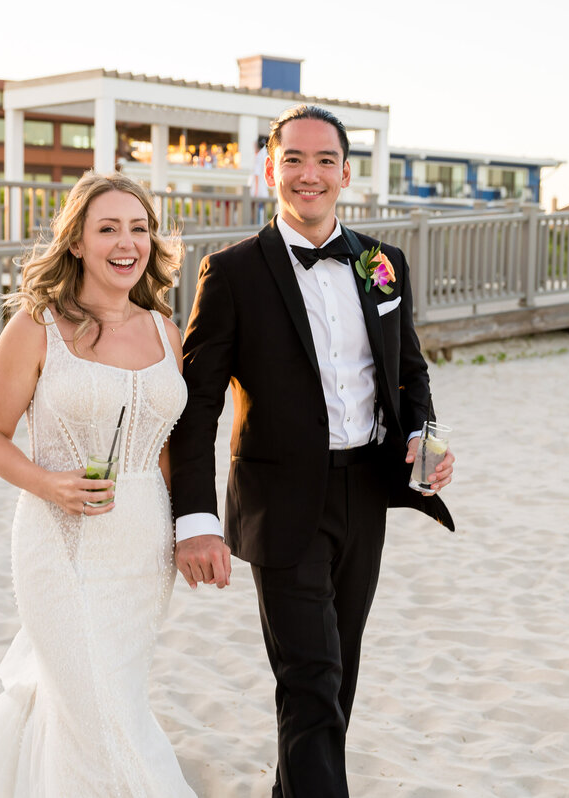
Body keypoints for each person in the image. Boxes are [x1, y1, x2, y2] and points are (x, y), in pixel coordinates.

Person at [170, 105, 456, 798]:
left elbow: (408, 370)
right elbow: (196, 405)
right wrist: (194, 520)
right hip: (279, 503)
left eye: (324, 160)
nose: (309, 174)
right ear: (271, 169)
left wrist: (421, 436)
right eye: (293, 159)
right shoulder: (230, 273)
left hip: (366, 492)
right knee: (310, 680)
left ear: (347, 174)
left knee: (337, 675)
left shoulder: (383, 264)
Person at [0, 172, 218, 797]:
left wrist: (188, 531)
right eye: (108, 228)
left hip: (143, 546)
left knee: (110, 695)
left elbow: (169, 451)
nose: (127, 242)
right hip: (60, 544)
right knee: (95, 708)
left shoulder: (165, 330)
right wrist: (49, 484)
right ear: (76, 241)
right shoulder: (36, 328)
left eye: (139, 228)